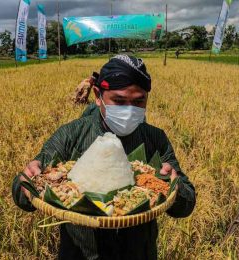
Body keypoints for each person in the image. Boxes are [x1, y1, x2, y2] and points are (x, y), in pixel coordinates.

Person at [12, 54, 196, 260]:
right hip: (81, 254)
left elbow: (186, 205)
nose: (128, 110)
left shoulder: (154, 139)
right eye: (119, 100)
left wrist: (174, 186)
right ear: (98, 95)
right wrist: (26, 180)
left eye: (138, 101)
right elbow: (24, 197)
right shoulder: (72, 135)